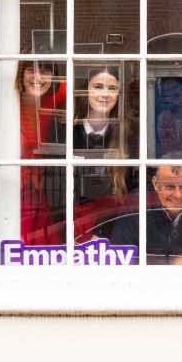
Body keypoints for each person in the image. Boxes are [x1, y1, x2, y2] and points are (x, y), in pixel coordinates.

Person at [71, 64, 137, 239]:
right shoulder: (66, 132)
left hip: (116, 232)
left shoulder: (130, 135)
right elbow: (55, 190)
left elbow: (135, 192)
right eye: (98, 87)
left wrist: (114, 235)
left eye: (112, 88)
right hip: (71, 230)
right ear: (86, 90)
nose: (105, 94)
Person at [109, 163, 182, 265]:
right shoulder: (136, 207)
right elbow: (119, 259)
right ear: (156, 184)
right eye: (169, 187)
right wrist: (171, 264)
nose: (178, 195)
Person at [15, 60, 65, 246]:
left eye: (45, 71)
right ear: (21, 74)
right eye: (30, 70)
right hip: (12, 187)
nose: (37, 77)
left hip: (44, 188)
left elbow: (86, 95)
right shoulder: (8, 101)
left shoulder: (59, 95)